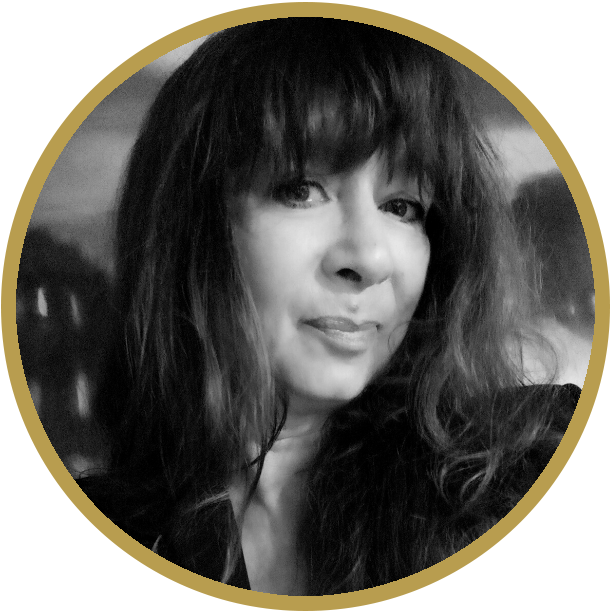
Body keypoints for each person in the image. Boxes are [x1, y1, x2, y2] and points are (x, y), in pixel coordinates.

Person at [79, 18, 581, 595]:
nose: (370, 258)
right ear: (191, 227)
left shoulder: (543, 463)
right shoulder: (89, 534)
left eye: (403, 206)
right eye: (301, 190)